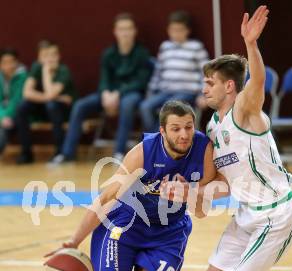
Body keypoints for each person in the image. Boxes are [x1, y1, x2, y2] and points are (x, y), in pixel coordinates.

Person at [161, 6, 292, 271]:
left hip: (277, 214)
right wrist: (187, 192)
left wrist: (251, 45)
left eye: (209, 83)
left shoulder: (245, 110)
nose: (203, 88)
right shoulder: (213, 129)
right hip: (246, 214)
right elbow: (220, 188)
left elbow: (256, 82)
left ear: (228, 86)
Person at [45, 100, 215, 271]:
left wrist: (191, 192)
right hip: (126, 225)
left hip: (168, 233)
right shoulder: (142, 153)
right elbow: (105, 199)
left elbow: (203, 211)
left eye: (188, 127)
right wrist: (74, 241)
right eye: (175, 129)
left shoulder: (204, 150)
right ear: (162, 131)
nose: (183, 135)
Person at [51, 13, 152, 164]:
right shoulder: (109, 53)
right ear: (115, 32)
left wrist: (118, 94)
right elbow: (104, 78)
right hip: (108, 94)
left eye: (128, 29)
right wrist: (105, 93)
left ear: (134, 31)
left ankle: (119, 152)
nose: (125, 33)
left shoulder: (142, 53)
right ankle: (67, 153)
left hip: (131, 94)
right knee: (80, 105)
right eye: (121, 29)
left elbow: (141, 81)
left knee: (127, 104)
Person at [139, 10, 208, 133]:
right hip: (165, 91)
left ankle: (157, 142)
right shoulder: (165, 46)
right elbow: (158, 73)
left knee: (167, 107)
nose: (176, 33)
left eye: (179, 29)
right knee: (145, 106)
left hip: (187, 92)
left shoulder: (196, 47)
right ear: (168, 30)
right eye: (173, 29)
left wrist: (203, 95)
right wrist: (150, 93)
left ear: (187, 30)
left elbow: (206, 72)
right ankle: (158, 137)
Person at [15, 41, 77, 164]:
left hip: (64, 111)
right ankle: (26, 153)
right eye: (46, 55)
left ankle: (60, 152)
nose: (50, 59)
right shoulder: (36, 67)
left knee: (52, 105)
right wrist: (54, 97)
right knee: (22, 107)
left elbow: (51, 93)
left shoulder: (63, 70)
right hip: (45, 107)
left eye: (53, 55)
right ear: (40, 58)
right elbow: (27, 93)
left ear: (58, 56)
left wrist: (45, 72)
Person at [0, 48, 27, 155]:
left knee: (3, 131)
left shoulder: (23, 77)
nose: (8, 65)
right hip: (2, 116)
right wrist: (2, 117)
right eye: (5, 62)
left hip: (16, 115)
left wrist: (7, 116)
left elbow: (17, 100)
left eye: (11, 62)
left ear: (17, 62)